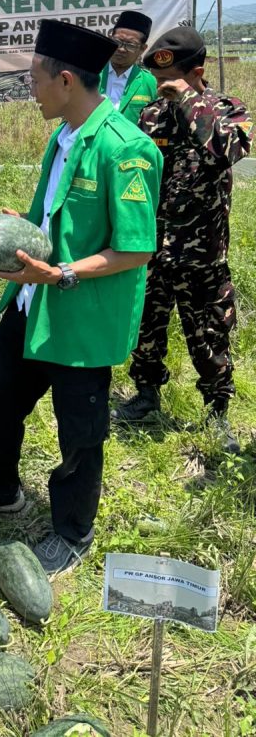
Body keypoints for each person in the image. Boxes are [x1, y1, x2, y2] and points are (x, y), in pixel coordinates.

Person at [0, 19, 162, 576]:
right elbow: (60, 214)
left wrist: (60, 271)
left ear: (65, 79)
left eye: (36, 80)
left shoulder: (125, 149)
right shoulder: (62, 134)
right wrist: (29, 223)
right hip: (32, 301)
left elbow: (134, 250)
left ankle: (72, 530)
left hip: (79, 314)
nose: (31, 90)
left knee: (79, 434)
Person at [112, 25, 253, 452]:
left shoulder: (228, 109)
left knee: (209, 334)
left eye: (170, 77)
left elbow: (228, 149)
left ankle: (217, 411)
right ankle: (147, 395)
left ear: (198, 70)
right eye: (158, 79)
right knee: (146, 330)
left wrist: (188, 100)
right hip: (152, 250)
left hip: (202, 255)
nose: (162, 85)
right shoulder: (150, 115)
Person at [99, 10, 158, 123]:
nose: (121, 49)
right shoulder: (90, 75)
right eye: (117, 42)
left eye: (130, 45)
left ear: (142, 49)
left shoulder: (151, 83)